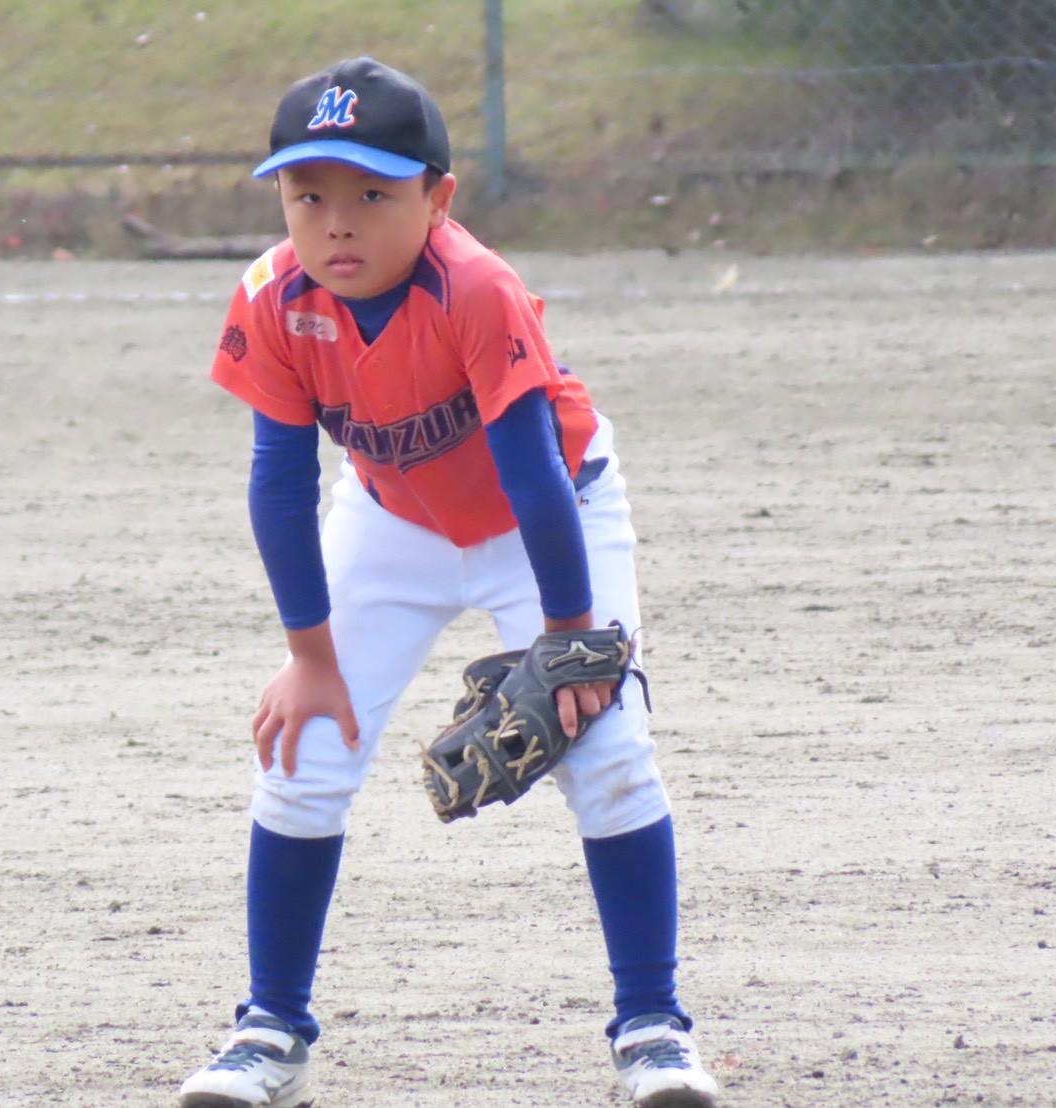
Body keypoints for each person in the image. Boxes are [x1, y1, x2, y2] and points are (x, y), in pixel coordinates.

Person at [178, 56, 720, 1108]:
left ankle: (652, 1027)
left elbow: (531, 471)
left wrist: (569, 641)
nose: (338, 222)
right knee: (304, 756)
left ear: (437, 197)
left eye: (373, 194)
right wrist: (308, 656)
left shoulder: (474, 287)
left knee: (609, 756)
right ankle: (270, 1030)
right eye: (308, 195)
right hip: (391, 520)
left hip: (549, 516)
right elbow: (280, 480)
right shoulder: (272, 297)